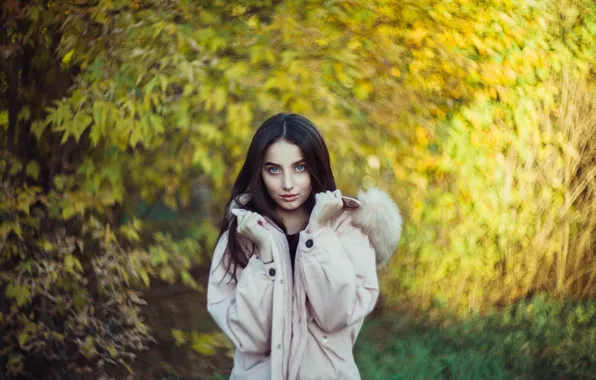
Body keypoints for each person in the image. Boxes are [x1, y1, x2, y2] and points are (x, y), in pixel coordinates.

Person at [207, 113, 402, 380]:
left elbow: (335, 316)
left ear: (316, 166)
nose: (288, 183)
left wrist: (319, 232)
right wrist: (265, 256)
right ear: (259, 171)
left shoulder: (347, 228)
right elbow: (250, 339)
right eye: (273, 169)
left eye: (300, 167)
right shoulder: (244, 231)